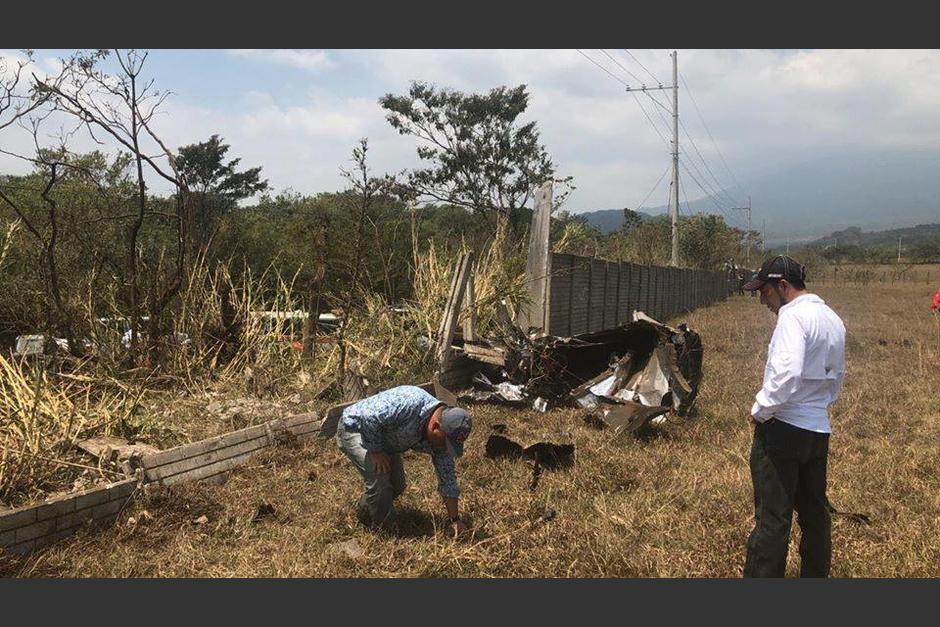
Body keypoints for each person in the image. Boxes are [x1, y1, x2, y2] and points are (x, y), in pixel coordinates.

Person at [741, 255, 846, 578]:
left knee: (773, 518)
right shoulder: (832, 318)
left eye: (765, 291)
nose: (763, 300)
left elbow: (785, 374)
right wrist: (817, 406)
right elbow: (836, 377)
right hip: (817, 430)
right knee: (815, 515)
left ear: (783, 286)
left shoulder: (792, 317)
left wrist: (760, 410)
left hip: (783, 429)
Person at [335, 385, 472, 537]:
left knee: (397, 485)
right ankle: (385, 532)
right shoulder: (410, 402)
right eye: (444, 443)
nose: (443, 448)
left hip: (385, 439)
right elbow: (368, 417)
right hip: (356, 429)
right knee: (380, 476)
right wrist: (375, 450)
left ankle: (365, 509)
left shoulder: (442, 438)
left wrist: (455, 520)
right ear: (435, 426)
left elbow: (448, 478)